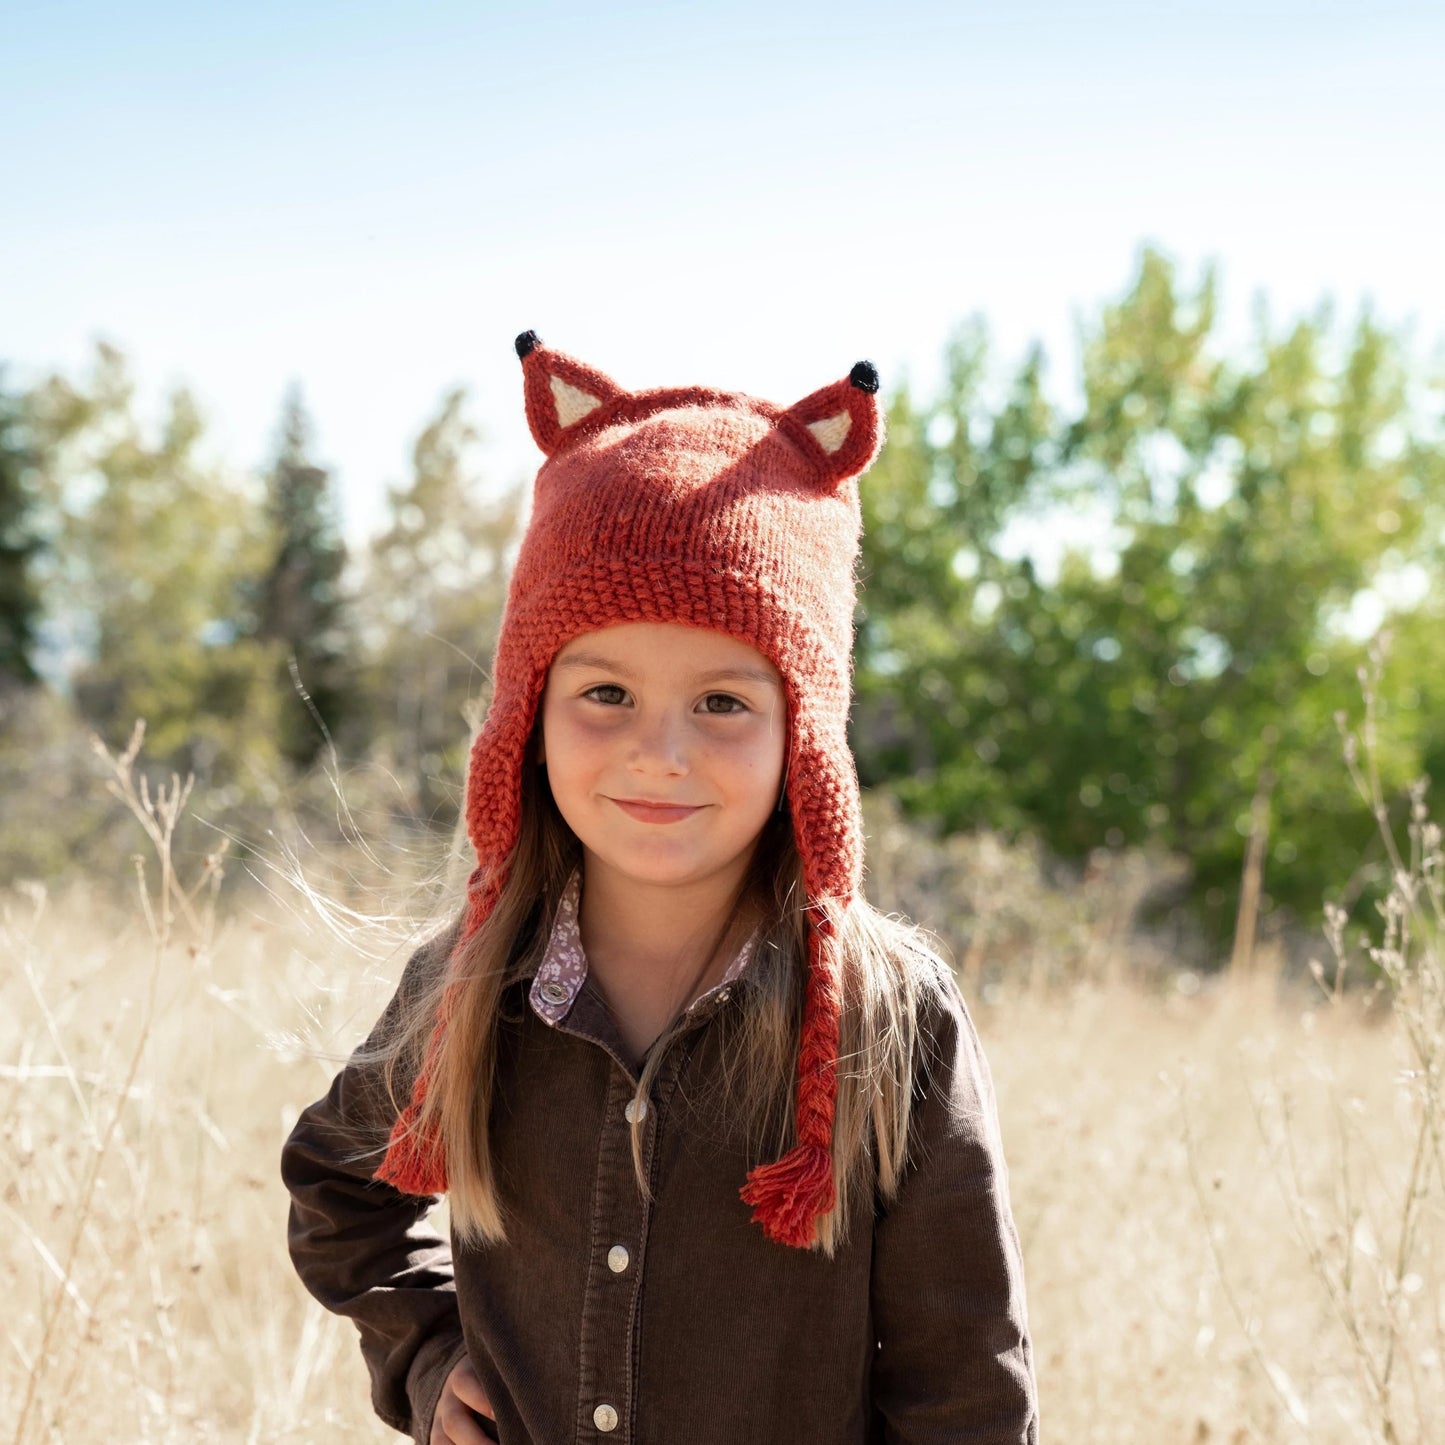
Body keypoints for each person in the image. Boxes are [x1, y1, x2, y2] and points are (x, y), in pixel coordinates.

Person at [280, 332, 1039, 1445]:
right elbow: (335, 1189)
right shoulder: (476, 982)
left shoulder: (891, 1019)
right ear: (527, 720)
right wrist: (430, 1358)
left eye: (724, 703)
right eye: (605, 692)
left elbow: (967, 1383)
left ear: (804, 738)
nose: (660, 751)